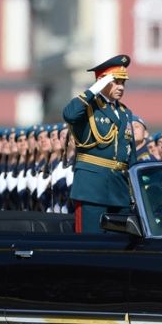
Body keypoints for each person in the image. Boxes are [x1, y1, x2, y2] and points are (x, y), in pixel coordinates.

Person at [62, 54, 137, 233]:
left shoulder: (125, 112)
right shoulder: (88, 108)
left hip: (119, 189)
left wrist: (133, 189)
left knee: (119, 245)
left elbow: (130, 153)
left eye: (123, 83)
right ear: (102, 83)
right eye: (115, 82)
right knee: (91, 243)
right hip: (92, 188)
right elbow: (69, 114)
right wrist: (94, 89)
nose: (120, 87)